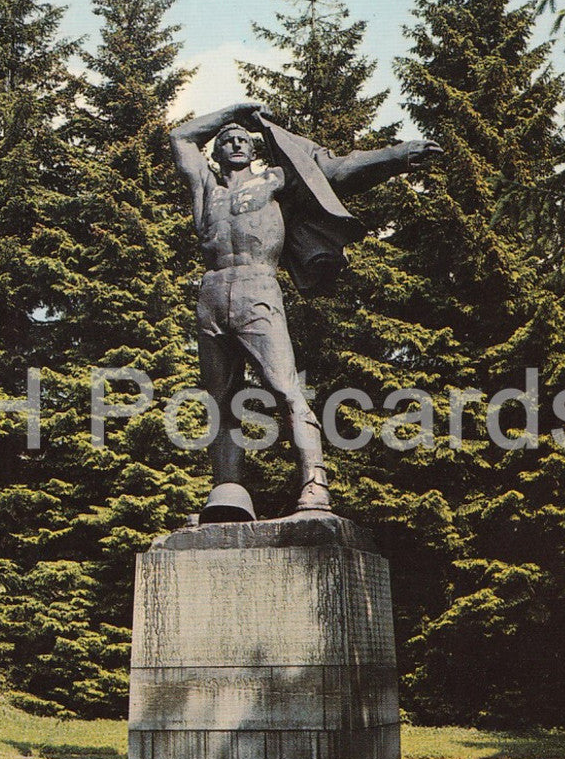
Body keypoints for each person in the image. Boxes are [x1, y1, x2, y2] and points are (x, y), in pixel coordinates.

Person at [170, 101, 441, 520]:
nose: (237, 143)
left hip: (258, 288)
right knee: (220, 401)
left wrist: (399, 155)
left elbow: (338, 170)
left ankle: (315, 485)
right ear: (216, 151)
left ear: (255, 150)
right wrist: (235, 112)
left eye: (244, 139)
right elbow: (181, 136)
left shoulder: (276, 180)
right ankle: (228, 493)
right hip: (211, 294)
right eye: (228, 140)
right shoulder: (206, 189)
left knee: (285, 390)